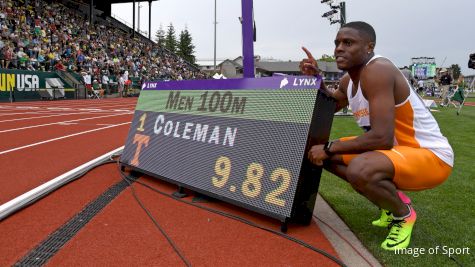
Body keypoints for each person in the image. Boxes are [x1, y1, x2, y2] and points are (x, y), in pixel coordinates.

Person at [300, 21, 453, 251]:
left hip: (430, 155)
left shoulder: (378, 70)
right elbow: (328, 105)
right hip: (394, 152)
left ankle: (403, 215)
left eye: (348, 43)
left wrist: (330, 146)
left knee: (358, 167)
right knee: (323, 155)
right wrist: (316, 79)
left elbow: (382, 138)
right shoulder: (347, 81)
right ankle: (389, 201)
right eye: (337, 43)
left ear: (369, 47)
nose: (339, 48)